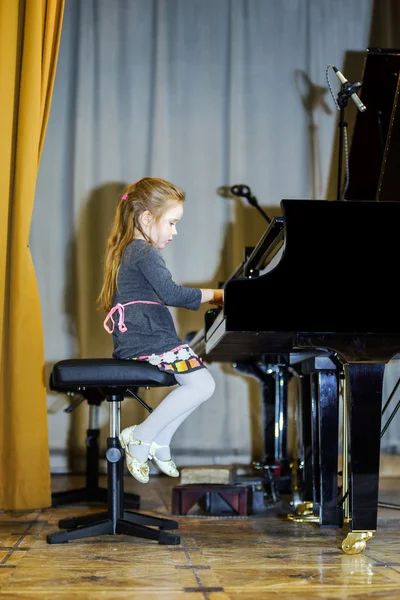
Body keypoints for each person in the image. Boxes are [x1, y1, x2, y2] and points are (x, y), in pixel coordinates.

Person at [98, 177, 223, 483]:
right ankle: (142, 437)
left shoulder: (129, 249)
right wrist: (218, 295)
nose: (174, 231)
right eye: (171, 222)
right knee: (202, 385)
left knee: (199, 385)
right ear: (146, 218)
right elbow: (173, 295)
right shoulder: (143, 252)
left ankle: (160, 441)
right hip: (147, 338)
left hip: (144, 336)